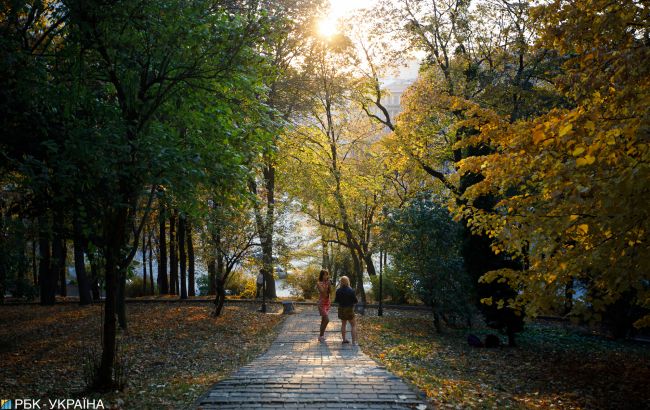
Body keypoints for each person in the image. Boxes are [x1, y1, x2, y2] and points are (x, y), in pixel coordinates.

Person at [334, 276, 358, 345]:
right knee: (353, 325)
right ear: (348, 281)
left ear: (341, 282)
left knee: (343, 324)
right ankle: (354, 342)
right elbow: (355, 301)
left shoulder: (338, 290)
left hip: (341, 309)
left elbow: (336, 301)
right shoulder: (351, 290)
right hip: (349, 309)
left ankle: (344, 340)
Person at [316, 269, 331, 342]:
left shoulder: (327, 283)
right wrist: (326, 286)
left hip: (327, 303)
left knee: (323, 320)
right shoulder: (319, 283)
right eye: (325, 274)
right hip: (321, 303)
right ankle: (321, 336)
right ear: (321, 275)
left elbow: (329, 293)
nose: (326, 276)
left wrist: (329, 285)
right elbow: (323, 293)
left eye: (327, 274)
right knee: (327, 320)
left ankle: (321, 336)